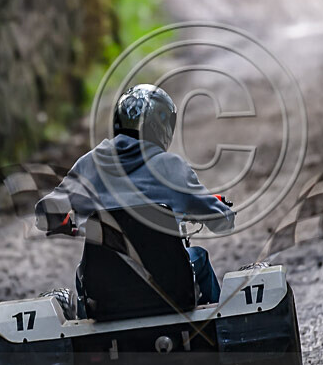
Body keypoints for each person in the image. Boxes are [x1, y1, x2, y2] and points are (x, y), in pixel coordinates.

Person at [35, 84, 234, 311]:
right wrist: (216, 208)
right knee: (199, 256)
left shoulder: (89, 164)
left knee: (84, 271)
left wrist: (64, 221)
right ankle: (216, 333)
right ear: (160, 126)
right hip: (171, 290)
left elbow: (44, 215)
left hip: (104, 295)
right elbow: (224, 222)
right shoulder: (173, 168)